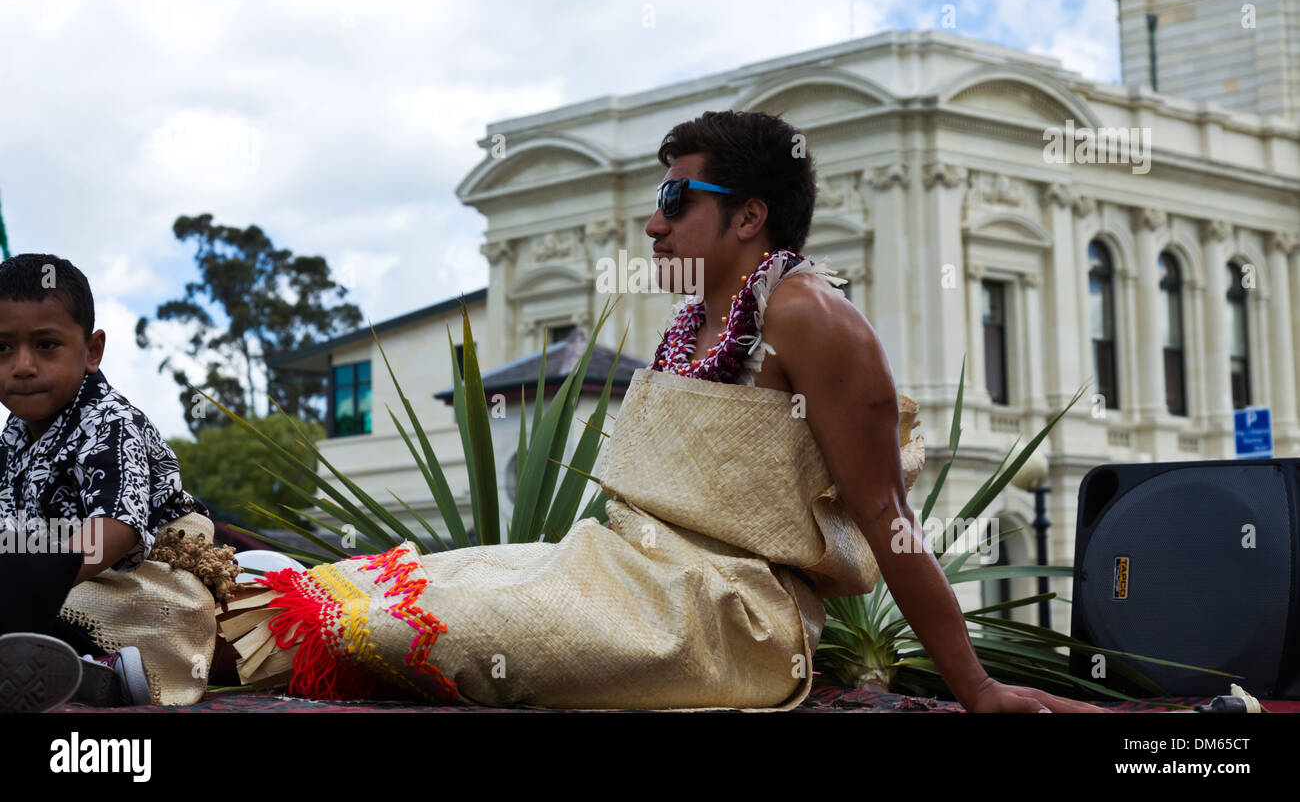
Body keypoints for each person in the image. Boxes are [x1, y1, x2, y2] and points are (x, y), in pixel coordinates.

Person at [221, 111, 1110, 712]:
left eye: (678, 200)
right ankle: (179, 641)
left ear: (751, 218)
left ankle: (194, 656)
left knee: (408, 625)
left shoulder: (810, 316)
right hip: (625, 571)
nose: (654, 223)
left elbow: (887, 519)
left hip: (730, 621)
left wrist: (976, 688)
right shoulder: (700, 318)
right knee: (406, 579)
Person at [0, 253, 239, 711]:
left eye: (46, 345)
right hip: (59, 570)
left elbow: (119, 528)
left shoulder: (109, 421)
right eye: (3, 348)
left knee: (38, 583)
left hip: (141, 570)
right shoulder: (12, 437)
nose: (23, 366)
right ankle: (56, 661)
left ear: (91, 351)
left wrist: (37, 573)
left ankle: (105, 667)